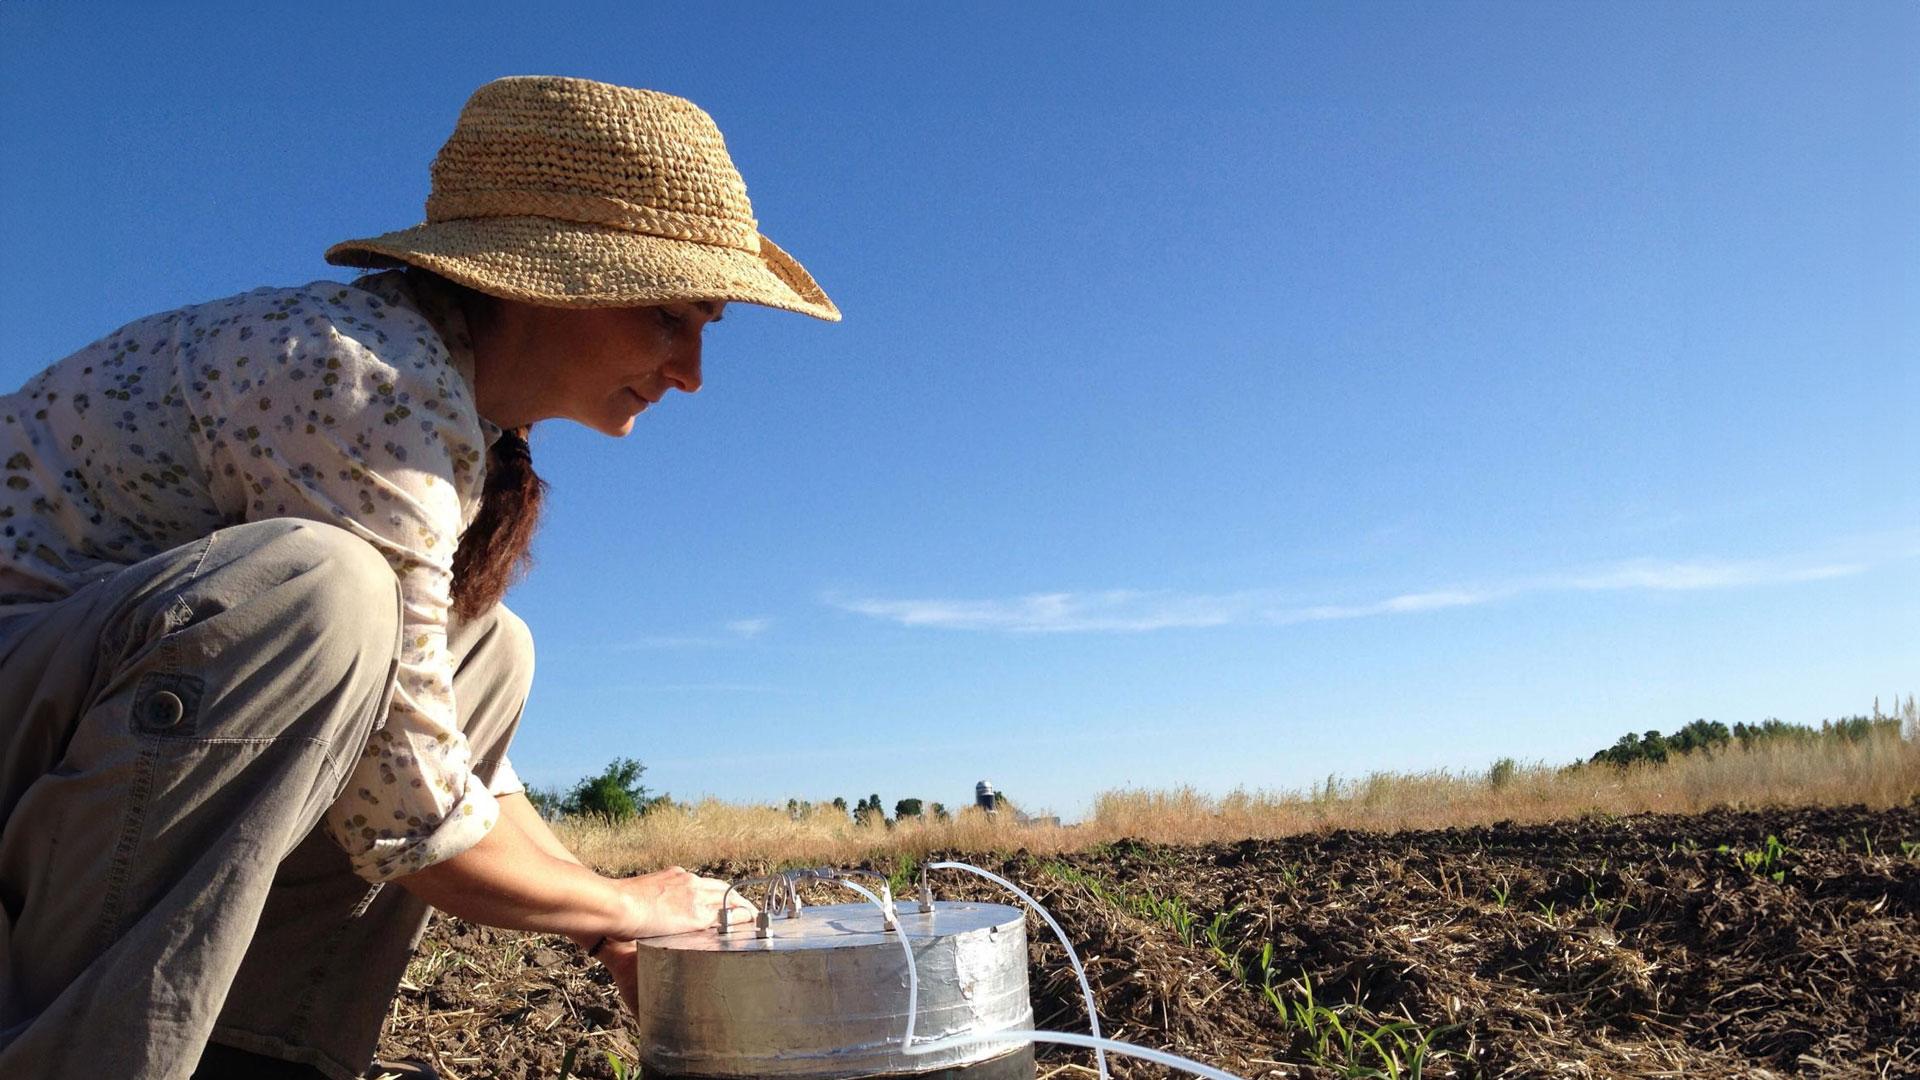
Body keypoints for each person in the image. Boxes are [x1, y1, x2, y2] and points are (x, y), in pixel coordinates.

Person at [0, 75, 839, 1080]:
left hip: (68, 706)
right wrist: (623, 905)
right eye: (668, 315)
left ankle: (256, 1053)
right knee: (319, 596)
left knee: (487, 651)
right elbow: (415, 821)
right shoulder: (365, 384)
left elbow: (438, 750)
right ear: (542, 278)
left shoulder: (445, 412)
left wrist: (618, 921)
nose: (693, 369)